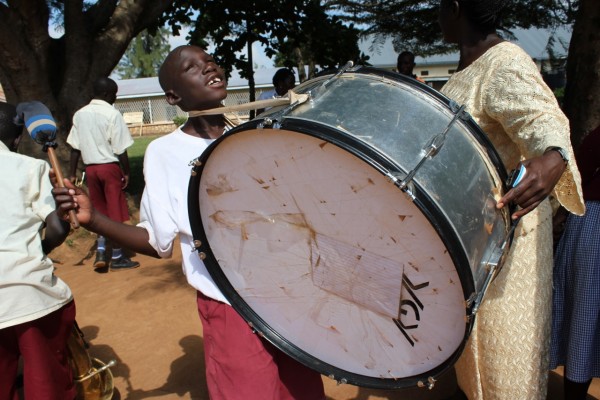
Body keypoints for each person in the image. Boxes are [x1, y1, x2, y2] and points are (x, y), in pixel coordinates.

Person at [53, 45, 325, 400]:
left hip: (289, 296)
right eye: (192, 67)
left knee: (303, 391)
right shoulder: (165, 152)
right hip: (230, 304)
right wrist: (94, 220)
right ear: (173, 96)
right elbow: (157, 242)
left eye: (210, 60)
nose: (208, 67)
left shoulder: (257, 134)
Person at [436, 0, 585, 399]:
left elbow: (544, 120)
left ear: (455, 8)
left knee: (506, 369)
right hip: (471, 246)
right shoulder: (463, 75)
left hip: (509, 248)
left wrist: (553, 156)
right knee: (475, 367)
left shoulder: (505, 62)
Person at [0, 101, 76, 400]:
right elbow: (57, 228)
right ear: (18, 138)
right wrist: (38, 250)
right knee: (46, 384)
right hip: (26, 294)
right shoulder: (29, 167)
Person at [67, 77, 139, 271]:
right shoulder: (112, 114)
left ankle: (100, 251)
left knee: (98, 211)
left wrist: (72, 173)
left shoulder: (80, 114)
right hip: (109, 168)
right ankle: (116, 257)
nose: (115, 97)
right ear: (107, 94)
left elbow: (75, 147)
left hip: (91, 170)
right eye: (114, 94)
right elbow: (121, 148)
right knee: (115, 212)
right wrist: (126, 172)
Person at [550, 125, 600, 400]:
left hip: (593, 224)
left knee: (586, 313)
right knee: (587, 314)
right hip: (594, 222)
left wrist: (560, 216)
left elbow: (577, 174)